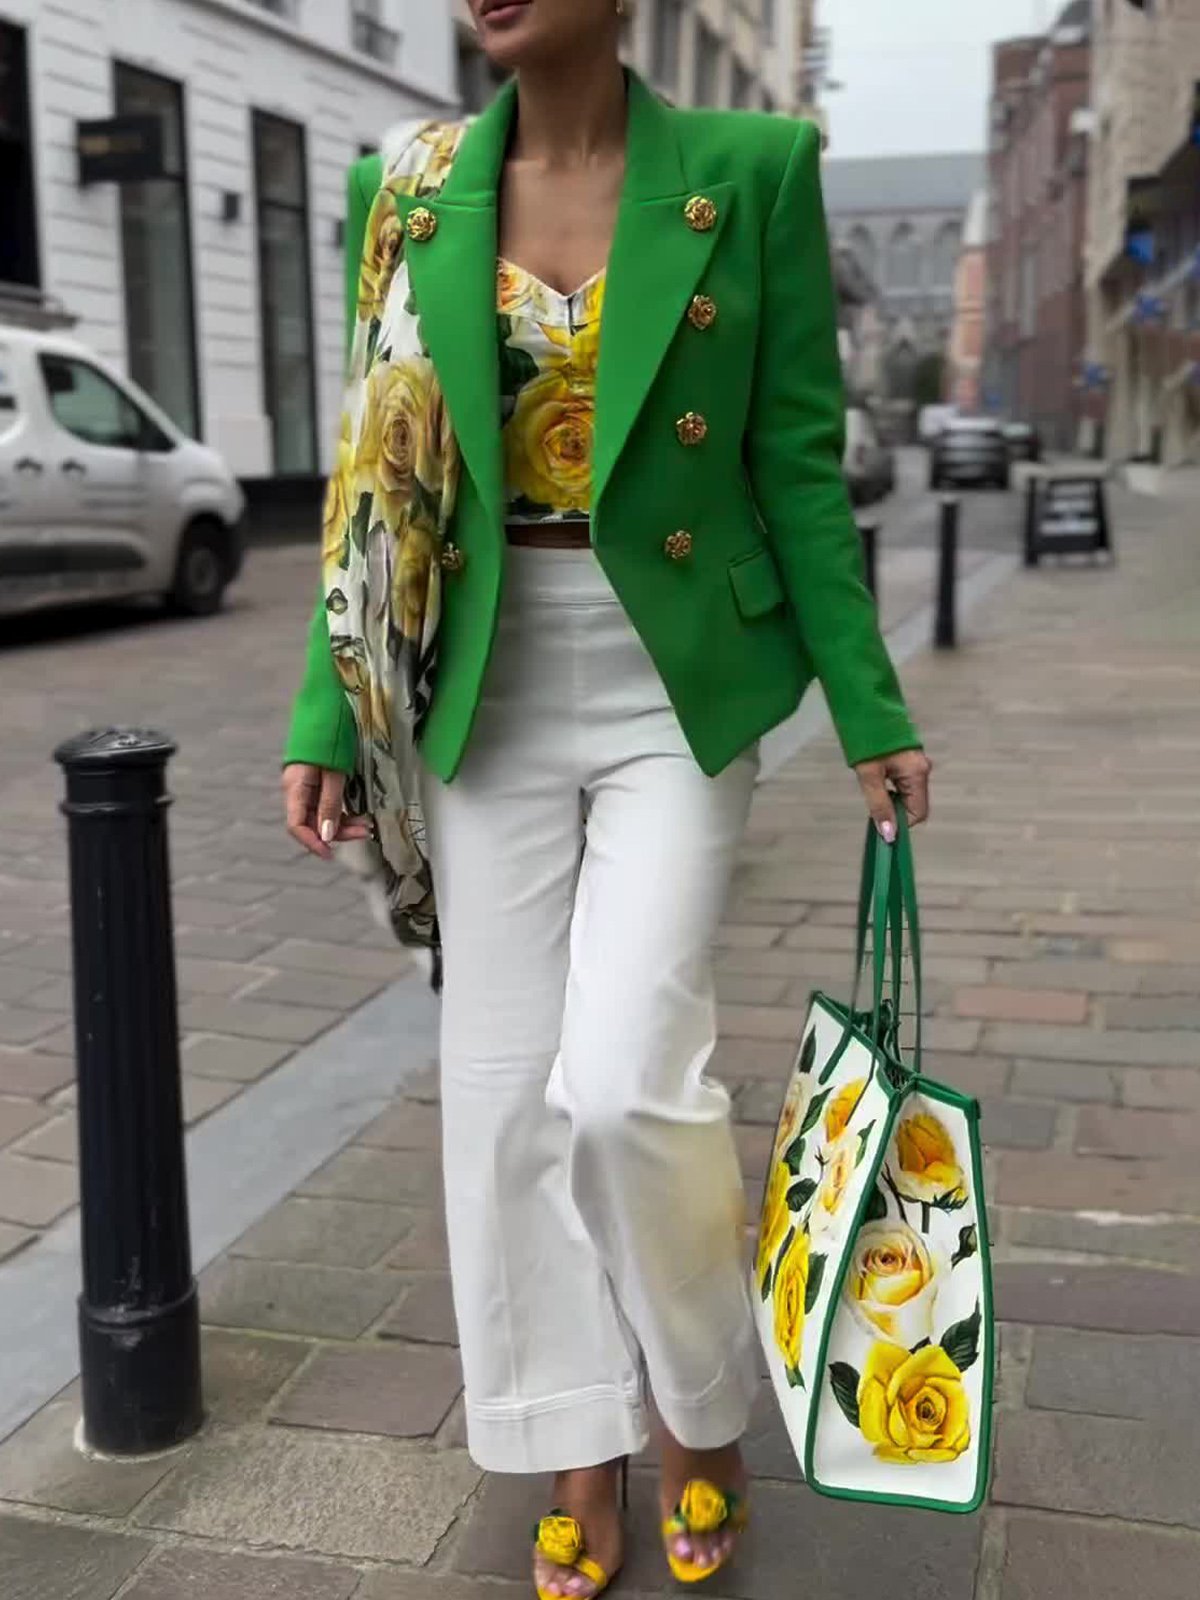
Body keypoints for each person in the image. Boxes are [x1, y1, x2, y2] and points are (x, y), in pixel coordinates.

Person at [282, 1, 931, 1594]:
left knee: (632, 1084)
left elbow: (796, 457)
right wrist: (325, 707)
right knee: (506, 1095)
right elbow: (374, 471)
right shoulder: (404, 183)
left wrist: (868, 702)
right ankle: (578, 1432)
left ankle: (700, 1414)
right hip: (483, 676)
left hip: (676, 674)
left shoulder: (754, 166)